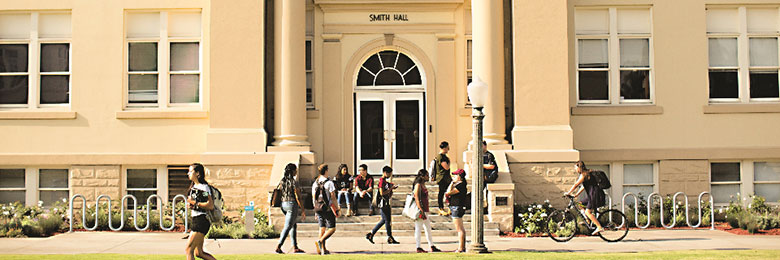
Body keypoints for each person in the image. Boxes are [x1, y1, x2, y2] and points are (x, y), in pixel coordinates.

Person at [185, 163, 217, 260]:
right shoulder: (194, 186)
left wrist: (195, 203)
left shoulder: (203, 187)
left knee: (189, 250)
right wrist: (192, 205)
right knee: (199, 253)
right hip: (196, 219)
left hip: (201, 221)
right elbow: (198, 204)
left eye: (190, 171)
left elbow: (210, 205)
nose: (188, 173)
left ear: (197, 173)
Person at [564, 161, 605, 235]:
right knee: (580, 204)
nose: (575, 169)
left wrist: (568, 192)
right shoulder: (587, 173)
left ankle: (599, 227)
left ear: (579, 167)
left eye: (576, 168)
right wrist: (576, 194)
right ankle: (589, 221)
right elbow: (583, 186)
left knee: (587, 212)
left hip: (595, 195)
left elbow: (576, 184)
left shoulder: (583, 174)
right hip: (592, 195)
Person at [275, 163, 306, 254]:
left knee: (293, 225)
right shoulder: (294, 182)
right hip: (291, 204)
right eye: (295, 170)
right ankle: (279, 246)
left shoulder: (282, 181)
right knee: (288, 226)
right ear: (292, 171)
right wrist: (303, 209)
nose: (296, 172)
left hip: (283, 204)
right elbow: (298, 196)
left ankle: (295, 246)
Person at [366, 165, 400, 244]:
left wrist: (391, 188)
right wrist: (390, 189)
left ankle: (372, 234)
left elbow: (388, 192)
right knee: (387, 220)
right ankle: (388, 237)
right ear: (385, 173)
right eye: (389, 174)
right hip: (383, 203)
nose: (390, 175)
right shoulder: (381, 181)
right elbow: (382, 193)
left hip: (386, 202)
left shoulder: (385, 182)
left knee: (385, 220)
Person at [312, 164, 339, 255]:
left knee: (322, 228)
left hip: (318, 207)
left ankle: (322, 250)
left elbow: (314, 197)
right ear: (326, 171)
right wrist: (337, 208)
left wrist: (315, 209)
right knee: (332, 228)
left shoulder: (315, 183)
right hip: (327, 208)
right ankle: (321, 240)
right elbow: (333, 197)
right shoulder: (329, 183)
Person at [412, 169, 441, 253]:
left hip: (425, 209)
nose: (428, 177)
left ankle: (431, 245)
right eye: (427, 175)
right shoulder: (418, 185)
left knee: (428, 228)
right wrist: (421, 210)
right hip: (420, 210)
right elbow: (417, 198)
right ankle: (418, 247)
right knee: (418, 228)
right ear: (422, 176)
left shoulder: (422, 185)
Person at [444, 169, 467, 253]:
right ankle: (462, 247)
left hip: (457, 207)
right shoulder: (457, 185)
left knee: (459, 229)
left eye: (455, 175)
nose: (453, 177)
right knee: (459, 229)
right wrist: (452, 183)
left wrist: (452, 184)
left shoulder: (461, 185)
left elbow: (448, 193)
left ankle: (461, 247)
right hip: (454, 207)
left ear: (460, 176)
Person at [431, 141, 452, 216]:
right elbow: (446, 167)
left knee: (448, 192)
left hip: (446, 177)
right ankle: (441, 208)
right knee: (442, 193)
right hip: (442, 178)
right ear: (445, 148)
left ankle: (448, 207)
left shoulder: (442, 156)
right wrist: (449, 162)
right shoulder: (441, 157)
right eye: (447, 147)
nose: (448, 149)